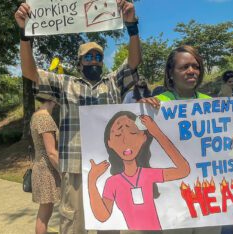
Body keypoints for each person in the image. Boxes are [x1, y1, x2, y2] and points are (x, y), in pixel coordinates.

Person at [15, 1, 142, 233]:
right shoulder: (65, 84)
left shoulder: (113, 82)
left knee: (109, 223)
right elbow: (29, 72)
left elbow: (133, 62)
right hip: (74, 165)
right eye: (88, 57)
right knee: (73, 223)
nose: (93, 60)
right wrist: (25, 35)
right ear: (79, 62)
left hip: (110, 164)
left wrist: (132, 26)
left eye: (98, 56)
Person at [138, 45, 233, 234]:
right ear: (171, 73)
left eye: (195, 66)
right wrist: (139, 112)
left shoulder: (212, 104)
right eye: (184, 67)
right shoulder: (156, 104)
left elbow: (224, 148)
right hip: (172, 200)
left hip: (209, 197)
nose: (191, 71)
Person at [88, 111, 190, 230]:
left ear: (143, 137)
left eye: (132, 132)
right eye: (117, 135)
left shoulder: (148, 174)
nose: (126, 140)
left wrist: (156, 132)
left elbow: (183, 170)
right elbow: (102, 216)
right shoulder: (112, 183)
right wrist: (91, 181)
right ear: (109, 143)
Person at [30, 96, 61, 234]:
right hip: (47, 169)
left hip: (42, 167)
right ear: (52, 98)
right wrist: (64, 172)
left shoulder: (37, 115)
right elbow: (52, 152)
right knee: (45, 212)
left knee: (46, 210)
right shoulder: (45, 118)